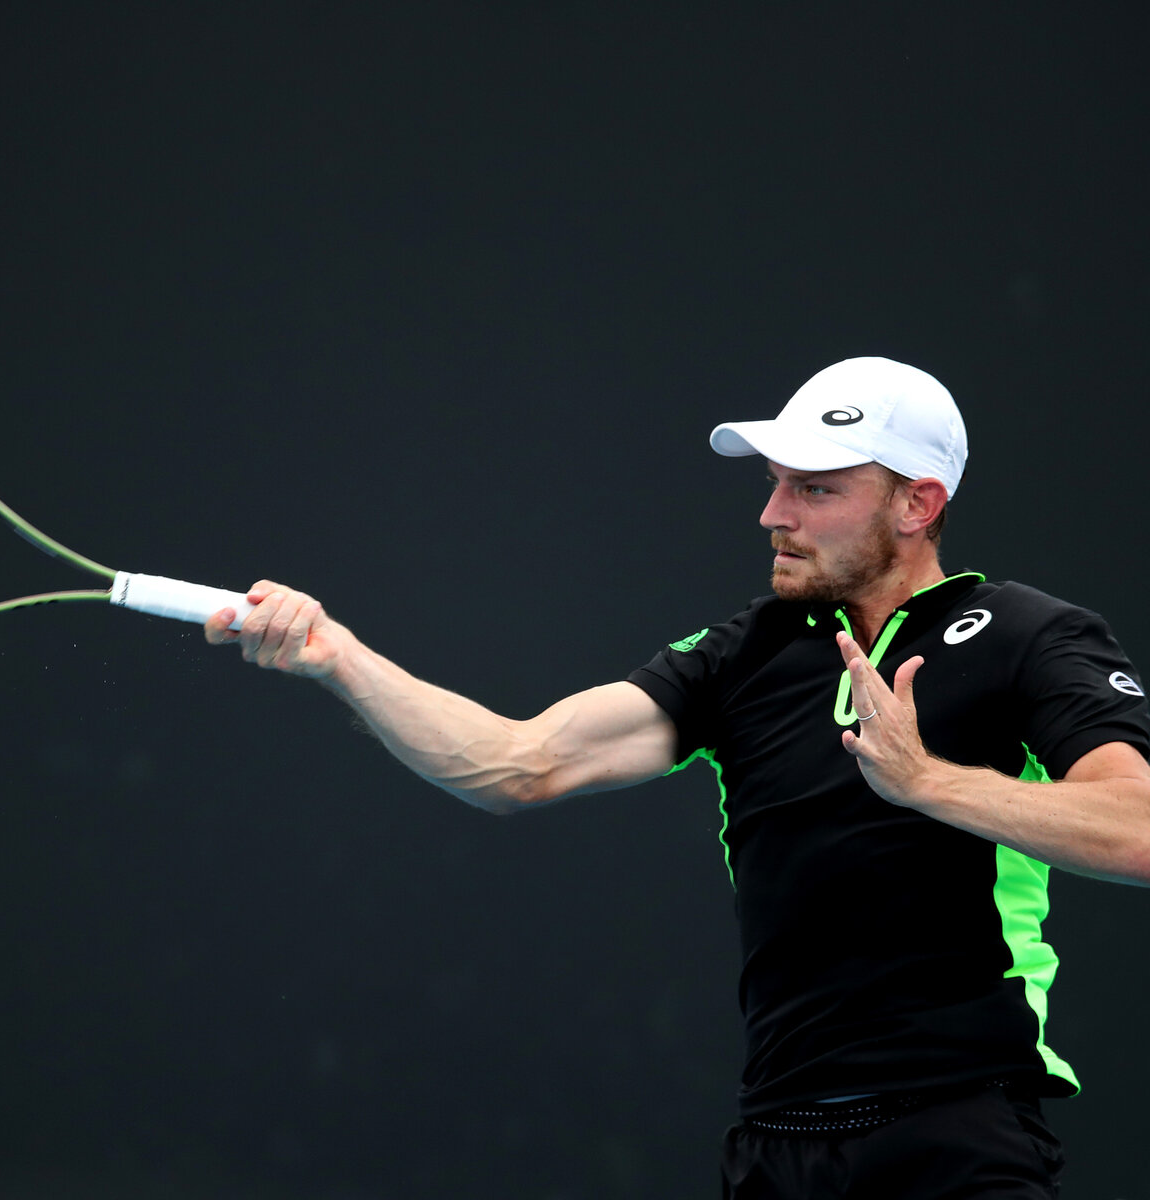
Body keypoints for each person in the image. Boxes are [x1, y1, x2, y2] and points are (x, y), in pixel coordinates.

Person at [205, 356, 1150, 1199]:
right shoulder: (743, 655)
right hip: (778, 1142)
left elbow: (1139, 829)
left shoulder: (1030, 633)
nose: (772, 514)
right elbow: (516, 763)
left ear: (918, 505)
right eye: (776, 483)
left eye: (814, 489)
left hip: (957, 1133)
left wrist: (928, 783)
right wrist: (338, 655)